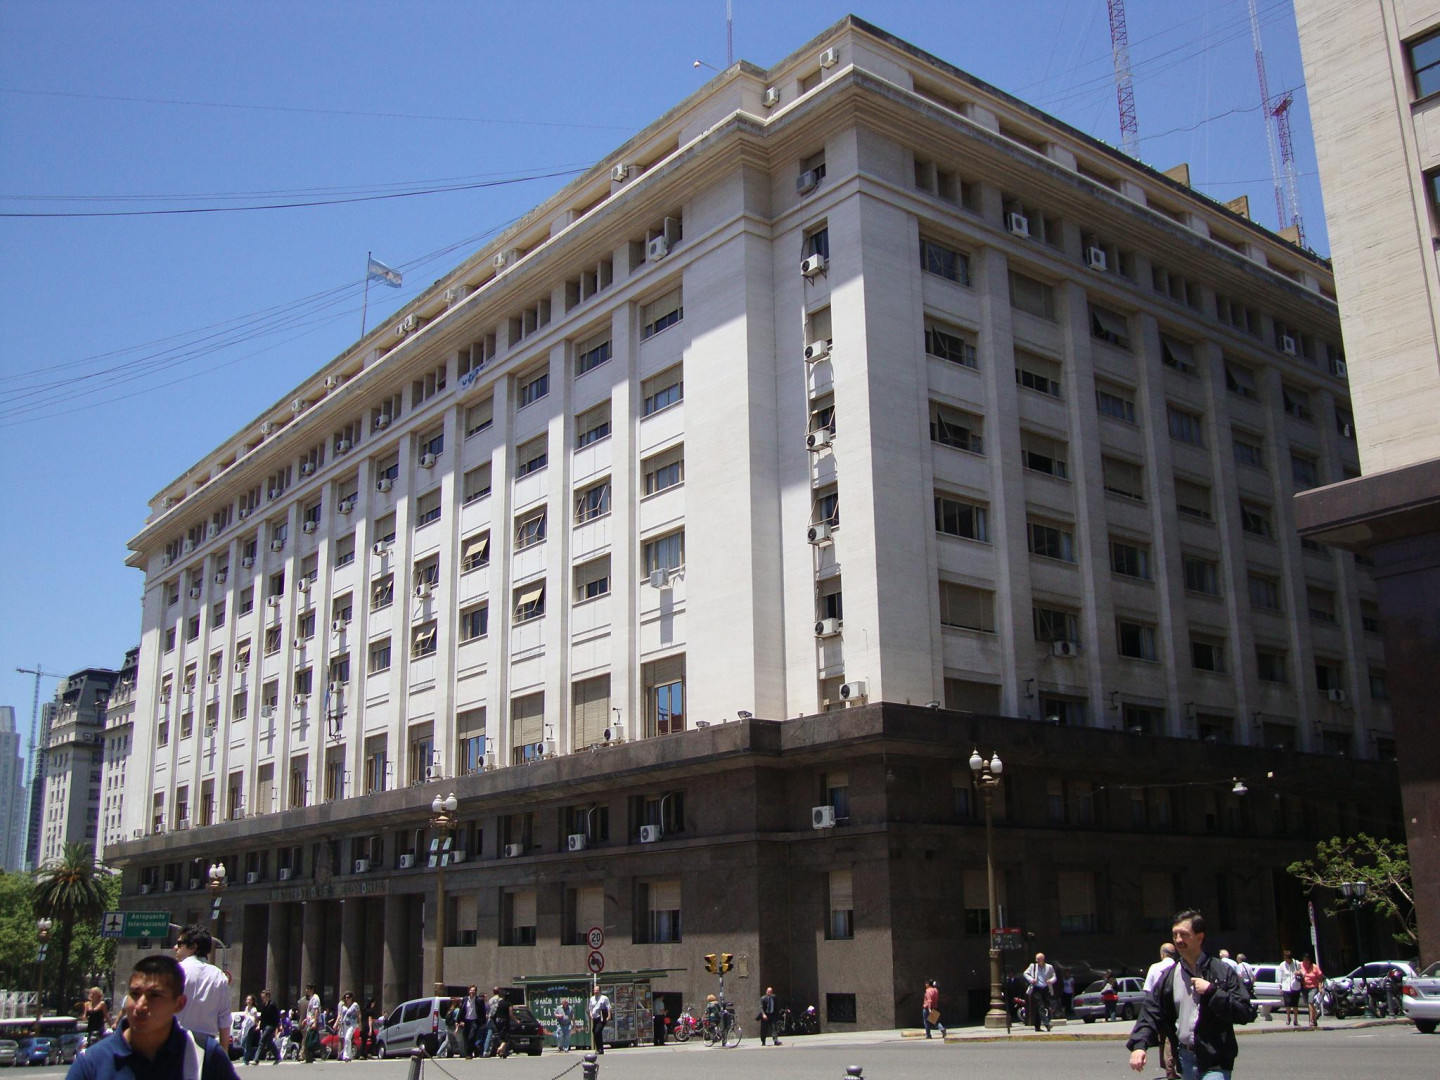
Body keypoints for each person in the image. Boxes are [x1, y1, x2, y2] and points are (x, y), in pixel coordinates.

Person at [67, 954, 239, 1080]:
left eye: (154, 996)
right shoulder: (92, 1063)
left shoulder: (204, 1054)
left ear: (179, 1003)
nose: (140, 1005)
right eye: (135, 994)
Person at [1126, 909, 1253, 1079]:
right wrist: (1139, 1046)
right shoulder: (1169, 977)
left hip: (1216, 1060)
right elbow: (1151, 1011)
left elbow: (1244, 1012)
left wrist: (1212, 992)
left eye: (1184, 935)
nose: (1178, 940)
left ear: (1200, 937)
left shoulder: (1222, 972)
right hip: (1185, 1059)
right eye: (1175, 935)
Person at [173, 926, 233, 1053]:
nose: (175, 948)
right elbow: (224, 1019)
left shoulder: (175, 972)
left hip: (176, 1044)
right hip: (207, 1047)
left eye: (179, 943)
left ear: (193, 946)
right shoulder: (219, 976)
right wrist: (224, 1054)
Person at [1144, 943, 1180, 1080]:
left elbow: (1148, 990)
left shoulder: (1155, 967)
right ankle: (1171, 1069)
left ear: (1162, 954)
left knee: (1163, 1039)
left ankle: (1168, 1068)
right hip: (1176, 1008)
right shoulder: (1178, 966)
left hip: (1159, 1009)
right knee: (1171, 1039)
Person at [1023, 952, 1057, 1032]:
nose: (1036, 960)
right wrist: (1031, 979)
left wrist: (1050, 981)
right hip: (1036, 989)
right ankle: (1047, 1024)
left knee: (1043, 1007)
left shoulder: (1049, 967)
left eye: (1038, 959)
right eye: (1036, 959)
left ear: (1042, 959)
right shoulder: (1033, 966)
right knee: (1040, 1006)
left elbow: (1054, 976)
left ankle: (1037, 1026)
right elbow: (1025, 973)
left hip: (1045, 989)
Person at [255, 990, 281, 1065]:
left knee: (262, 1041)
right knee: (269, 1042)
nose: (262, 999)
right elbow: (263, 1017)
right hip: (265, 1026)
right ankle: (278, 1057)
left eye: (263, 997)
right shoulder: (264, 1006)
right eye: (262, 997)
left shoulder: (272, 1005)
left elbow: (276, 1015)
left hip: (271, 1025)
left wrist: (277, 1025)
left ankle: (256, 1059)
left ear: (268, 996)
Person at [1278, 949, 1302, 1027]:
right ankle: (1288, 1018)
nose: (1287, 961)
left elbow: (1302, 971)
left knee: (1295, 1004)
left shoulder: (1296, 963)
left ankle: (1295, 1019)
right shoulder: (1282, 965)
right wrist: (1280, 987)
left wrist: (1299, 972)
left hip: (1295, 985)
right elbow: (1280, 976)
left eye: (1288, 959)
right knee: (1287, 1004)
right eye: (1285, 959)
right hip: (1286, 986)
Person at [1299, 954, 1324, 1029]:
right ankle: (1314, 1017)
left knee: (1311, 1002)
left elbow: (1320, 978)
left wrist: (1320, 988)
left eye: (1307, 960)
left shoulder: (1315, 967)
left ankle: (1311, 1020)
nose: (1305, 962)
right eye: (1304, 960)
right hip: (1304, 987)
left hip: (1313, 987)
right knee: (1308, 1003)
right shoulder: (1300, 965)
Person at [587, 984, 611, 1055]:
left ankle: (600, 1049)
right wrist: (590, 1014)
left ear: (600, 991)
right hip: (595, 1017)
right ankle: (598, 1048)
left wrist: (609, 1016)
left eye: (597, 990)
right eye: (594, 990)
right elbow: (590, 1008)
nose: (595, 991)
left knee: (598, 1031)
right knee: (594, 1031)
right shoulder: (592, 998)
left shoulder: (604, 998)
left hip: (601, 1016)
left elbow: (608, 1007)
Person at [337, 993, 359, 1062]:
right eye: (346, 997)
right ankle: (349, 1055)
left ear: (352, 998)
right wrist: (337, 1023)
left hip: (353, 1024)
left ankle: (346, 1056)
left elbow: (359, 1014)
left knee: (347, 1038)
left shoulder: (355, 1005)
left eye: (348, 997)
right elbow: (340, 1015)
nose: (347, 999)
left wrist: (360, 1023)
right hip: (345, 1024)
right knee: (346, 1039)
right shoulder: (343, 1006)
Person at [238, 995, 258, 1064]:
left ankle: (246, 1060)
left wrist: (256, 1025)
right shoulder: (246, 1008)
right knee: (243, 1042)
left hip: (251, 1027)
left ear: (252, 1001)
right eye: (247, 1000)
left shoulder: (254, 1009)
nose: (248, 1001)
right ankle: (247, 1057)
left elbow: (256, 1018)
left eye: (250, 1000)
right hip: (245, 1027)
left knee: (248, 1044)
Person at [462, 987, 481, 1059]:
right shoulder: (465, 999)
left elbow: (482, 1012)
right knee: (466, 1038)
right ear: (469, 991)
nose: (472, 992)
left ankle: (469, 1054)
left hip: (474, 1021)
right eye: (471, 990)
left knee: (471, 1037)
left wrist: (482, 1022)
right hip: (467, 1020)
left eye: (473, 990)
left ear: (476, 991)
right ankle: (476, 1050)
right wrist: (459, 1021)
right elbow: (462, 1010)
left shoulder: (479, 1000)